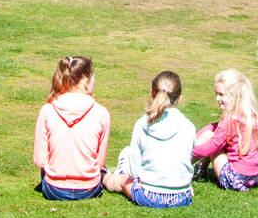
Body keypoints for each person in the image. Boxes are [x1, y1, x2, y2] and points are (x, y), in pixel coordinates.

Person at [103, 71, 196, 208]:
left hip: (148, 196)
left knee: (122, 178)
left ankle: (103, 177)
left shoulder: (143, 124)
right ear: (179, 98)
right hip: (182, 196)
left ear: (153, 94)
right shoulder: (189, 126)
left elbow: (134, 171)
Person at [33, 56, 110, 200]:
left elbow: (40, 160)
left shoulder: (47, 110)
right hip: (89, 189)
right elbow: (99, 164)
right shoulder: (102, 113)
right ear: (87, 81)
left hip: (54, 190)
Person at [193, 69, 258, 191]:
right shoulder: (253, 118)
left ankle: (178, 168)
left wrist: (187, 151)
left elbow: (208, 149)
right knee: (210, 133)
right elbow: (216, 127)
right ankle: (200, 169)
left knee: (210, 138)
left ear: (235, 95)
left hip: (235, 179)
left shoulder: (230, 119)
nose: (217, 98)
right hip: (254, 179)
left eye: (221, 94)